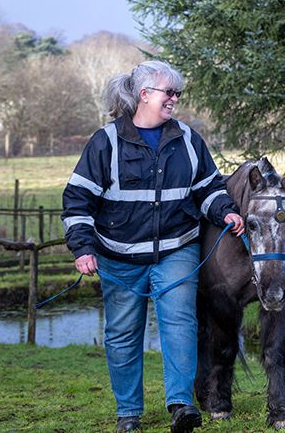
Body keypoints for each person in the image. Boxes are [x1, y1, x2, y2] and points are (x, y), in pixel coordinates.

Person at [61, 60, 244, 433]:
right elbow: (78, 199)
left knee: (180, 324)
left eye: (177, 93)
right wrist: (83, 247)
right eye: (169, 92)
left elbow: (208, 188)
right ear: (144, 95)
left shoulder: (188, 140)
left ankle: (181, 405)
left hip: (176, 249)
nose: (175, 99)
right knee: (123, 333)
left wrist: (224, 211)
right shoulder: (106, 142)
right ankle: (129, 413)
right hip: (119, 256)